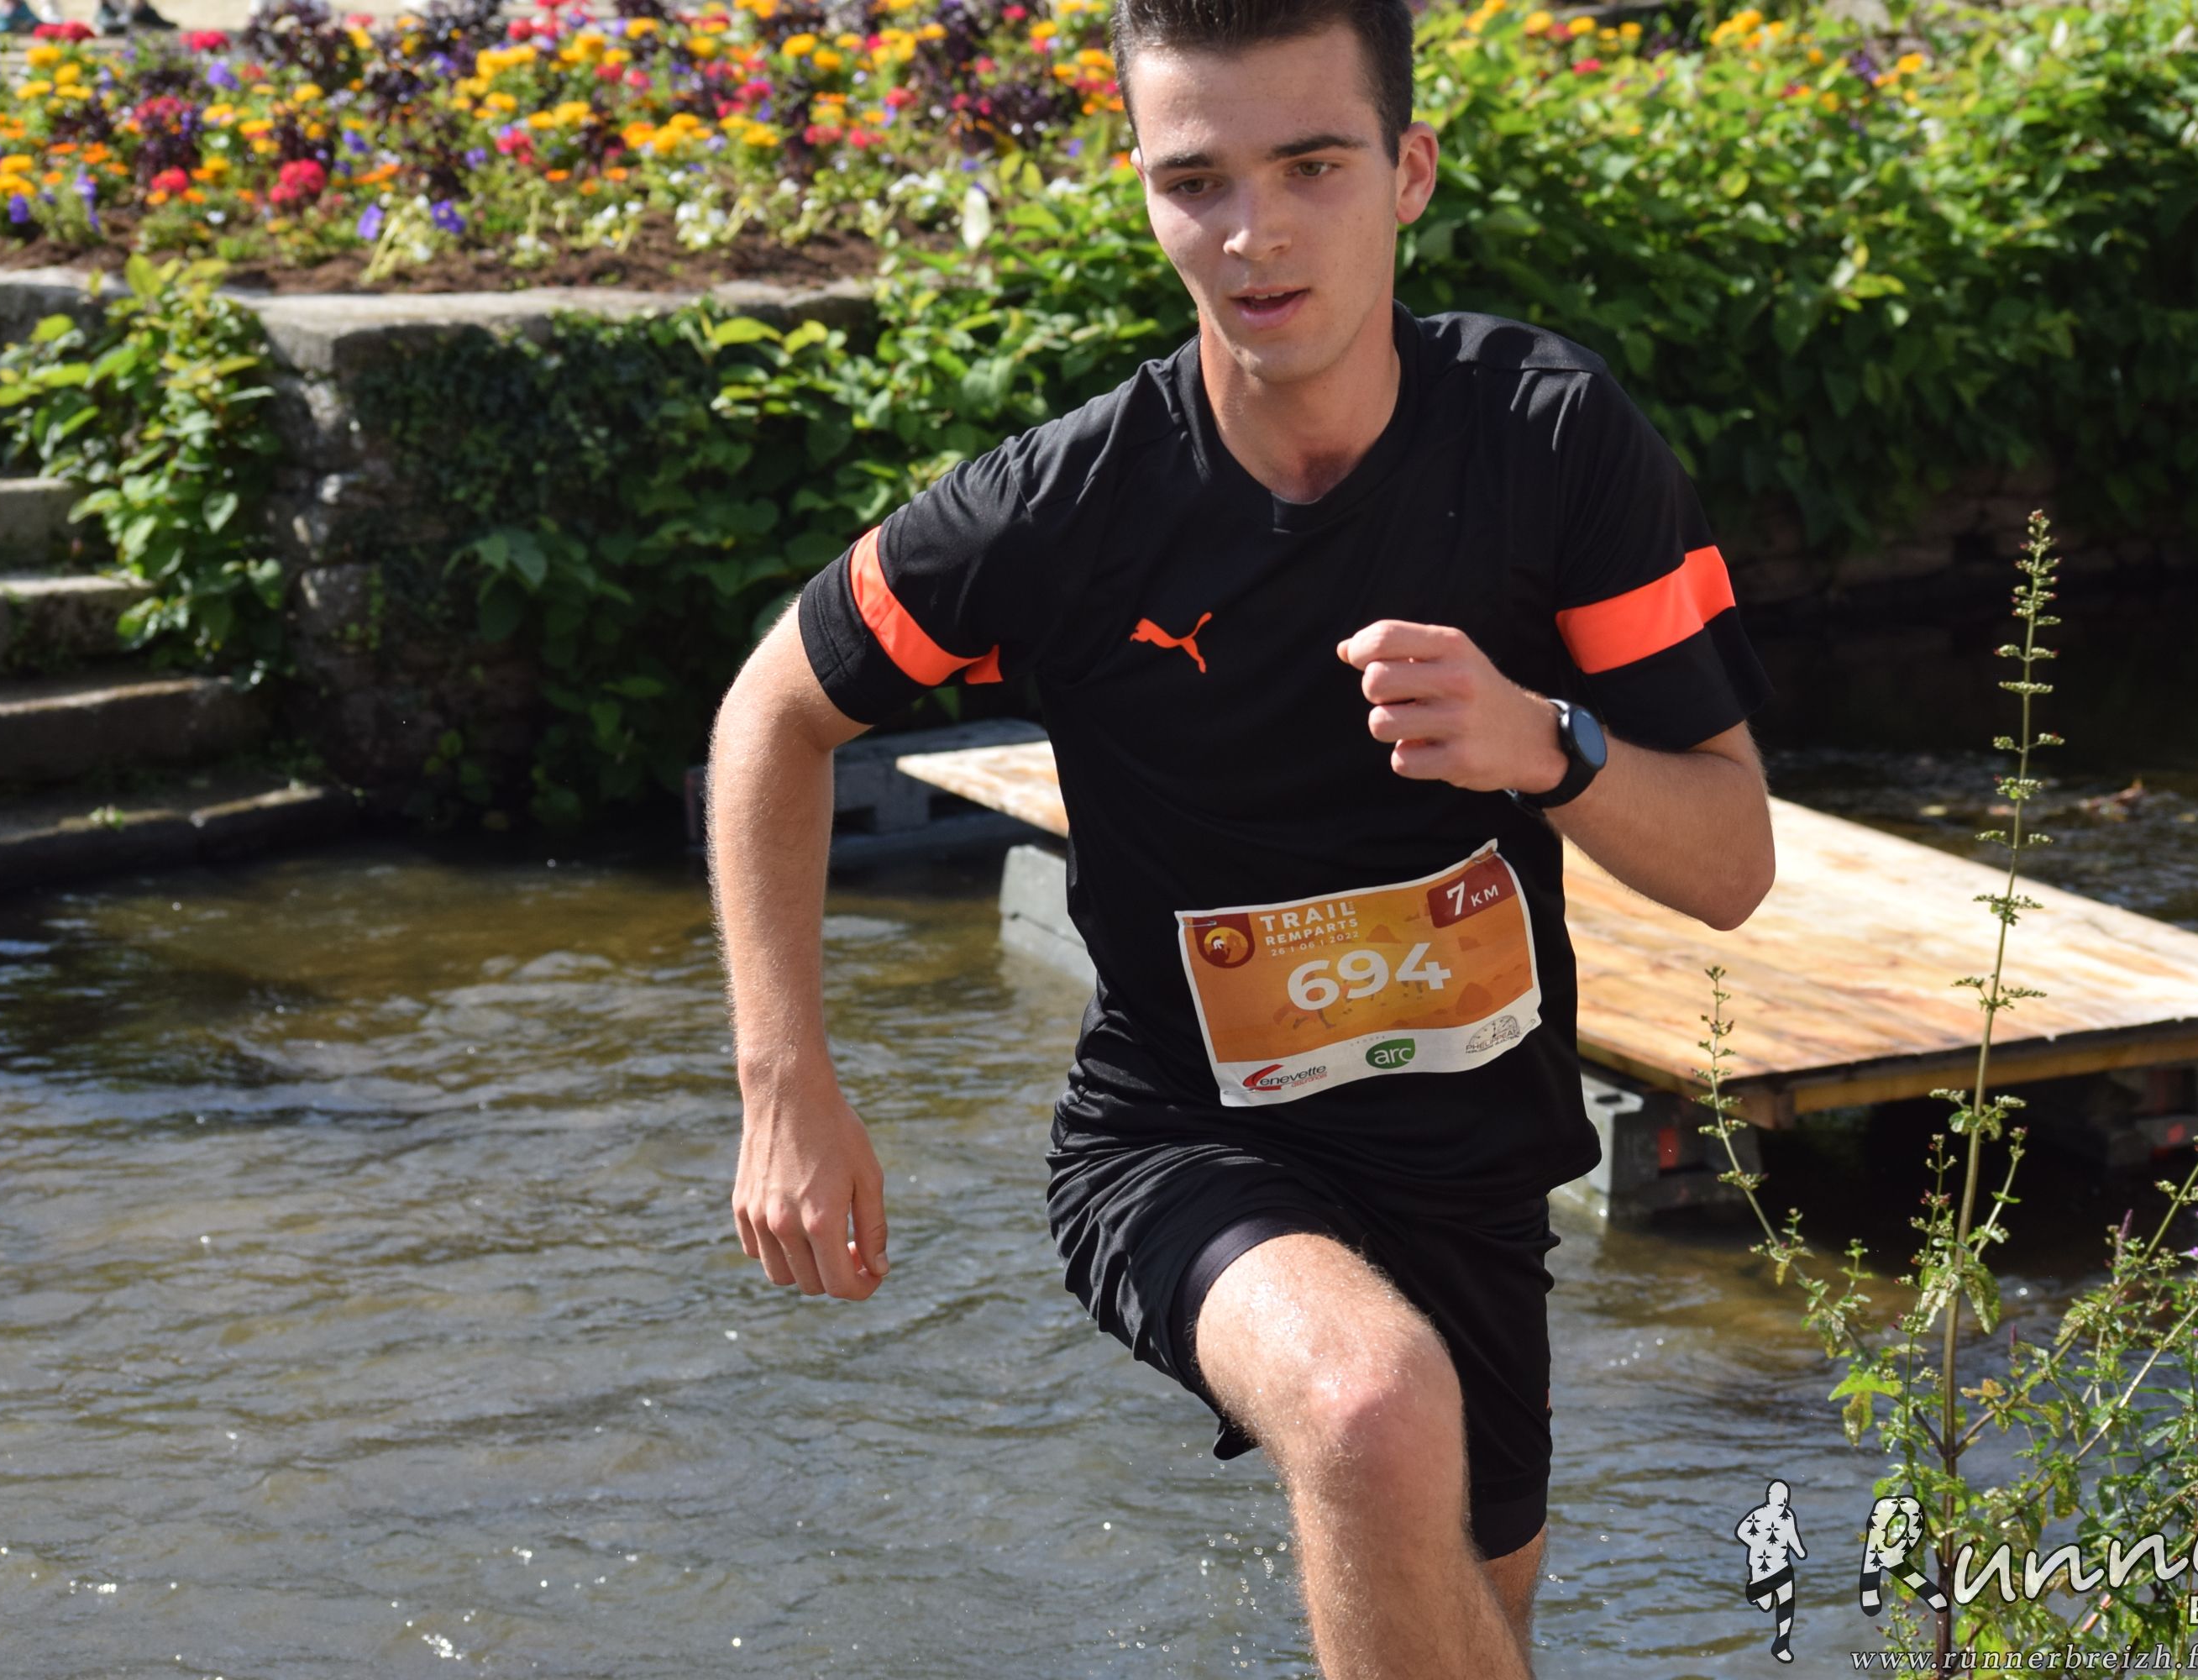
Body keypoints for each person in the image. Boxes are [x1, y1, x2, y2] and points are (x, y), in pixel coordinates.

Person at [705, 0, 1777, 1672]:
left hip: (1476, 1161)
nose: (1253, 233)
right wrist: (787, 1081)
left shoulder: (1549, 443)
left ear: (1408, 173)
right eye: (1195, 179)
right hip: (1179, 1141)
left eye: (1312, 166)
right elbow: (772, 711)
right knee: (1365, 1408)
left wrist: (1544, 744)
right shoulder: (1069, 511)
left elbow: (1729, 861)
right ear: (1141, 186)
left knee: (1472, 1615)